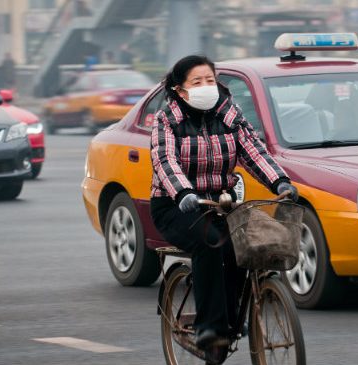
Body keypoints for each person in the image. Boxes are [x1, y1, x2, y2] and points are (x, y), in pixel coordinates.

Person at [150, 55, 298, 350]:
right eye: (197, 82)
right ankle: (209, 326)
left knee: (242, 245)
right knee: (210, 243)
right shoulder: (166, 119)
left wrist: (279, 181)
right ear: (180, 90)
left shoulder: (229, 113)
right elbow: (165, 161)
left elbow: (254, 151)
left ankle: (230, 321)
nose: (206, 86)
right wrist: (183, 193)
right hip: (177, 204)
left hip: (221, 202)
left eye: (209, 80)